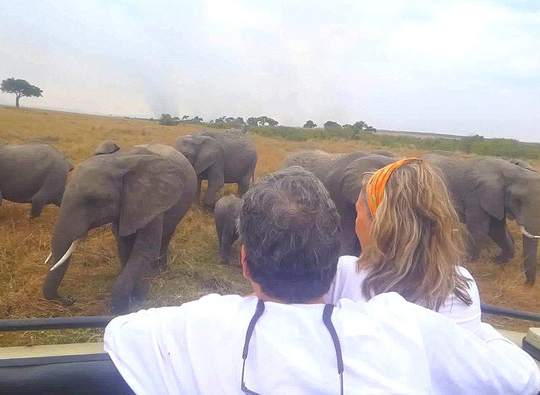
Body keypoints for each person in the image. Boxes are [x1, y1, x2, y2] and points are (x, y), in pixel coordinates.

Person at [105, 167, 539, 394]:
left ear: (244, 261)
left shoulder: (202, 323)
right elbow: (521, 378)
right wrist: (481, 333)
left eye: (361, 211)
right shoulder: (411, 327)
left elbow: (119, 333)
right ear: (332, 260)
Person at [324, 158, 482, 332]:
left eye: (358, 213)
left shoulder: (343, 273)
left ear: (379, 225)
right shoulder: (462, 286)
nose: (356, 222)